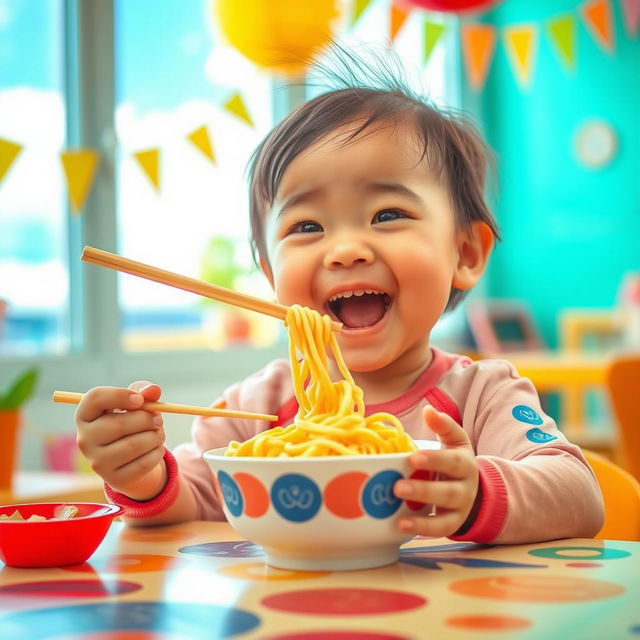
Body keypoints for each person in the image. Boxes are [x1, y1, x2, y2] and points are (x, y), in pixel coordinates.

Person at [75, 53, 604, 543]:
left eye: (388, 215)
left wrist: (477, 495)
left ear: (464, 252)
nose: (346, 249)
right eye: (307, 225)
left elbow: (578, 495)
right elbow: (193, 498)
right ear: (269, 272)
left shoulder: (483, 397)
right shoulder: (253, 410)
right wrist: (142, 475)